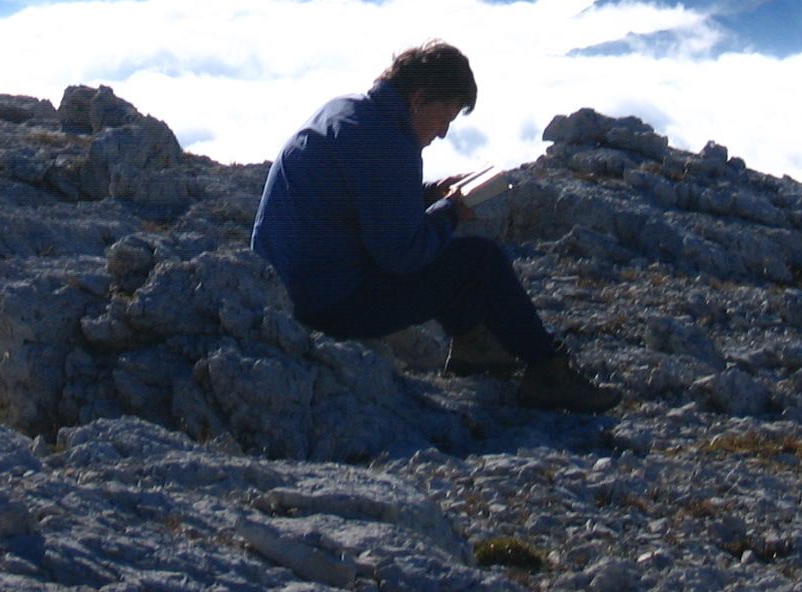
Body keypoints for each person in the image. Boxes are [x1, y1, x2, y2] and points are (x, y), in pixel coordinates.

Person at [250, 40, 617, 412]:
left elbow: (366, 199)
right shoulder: (388, 143)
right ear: (419, 98)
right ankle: (547, 373)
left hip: (283, 289)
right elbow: (403, 255)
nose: (442, 132)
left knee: (451, 248)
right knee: (479, 259)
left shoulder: (349, 111)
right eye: (445, 117)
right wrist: (451, 212)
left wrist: (429, 194)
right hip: (327, 304)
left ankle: (475, 348)